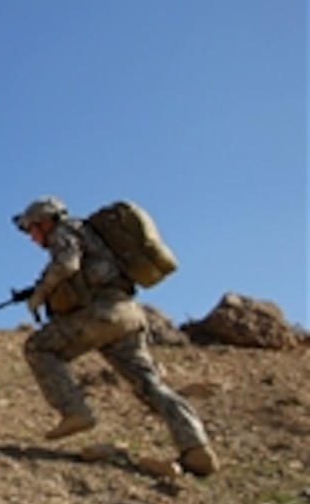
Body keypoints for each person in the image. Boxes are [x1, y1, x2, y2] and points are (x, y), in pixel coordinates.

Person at [12, 196, 219, 476]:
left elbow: (67, 265)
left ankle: (75, 411)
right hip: (128, 315)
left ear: (45, 222)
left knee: (38, 348)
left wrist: (39, 294)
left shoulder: (64, 231)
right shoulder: (90, 235)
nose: (31, 236)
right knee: (150, 385)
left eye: (31, 228)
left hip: (100, 315)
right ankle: (196, 448)